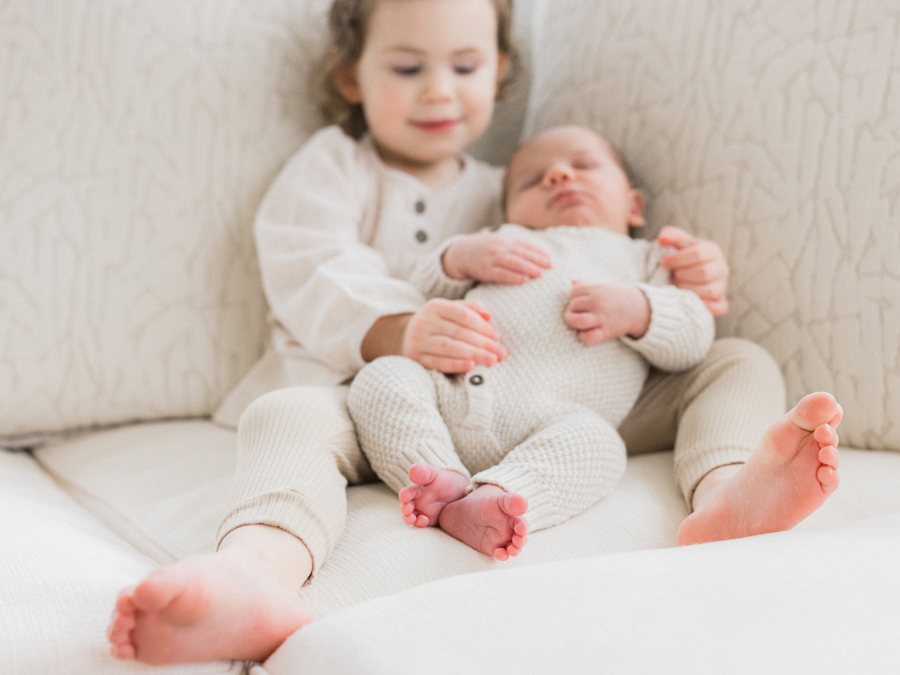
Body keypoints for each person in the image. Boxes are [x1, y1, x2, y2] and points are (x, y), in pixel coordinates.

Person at [106, 0, 840, 666]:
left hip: (560, 397)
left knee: (735, 360)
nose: (438, 90)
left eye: (465, 66)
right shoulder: (338, 167)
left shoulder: (510, 182)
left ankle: (727, 493)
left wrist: (689, 275)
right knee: (287, 417)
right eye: (406, 66)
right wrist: (403, 325)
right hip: (377, 394)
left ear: (499, 71)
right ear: (352, 76)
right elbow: (309, 266)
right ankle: (255, 571)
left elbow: (620, 247)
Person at [349, 125, 723, 560]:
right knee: (383, 377)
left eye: (583, 166)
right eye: (532, 179)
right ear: (508, 210)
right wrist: (459, 257)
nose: (559, 176)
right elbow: (422, 287)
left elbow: (696, 335)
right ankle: (435, 474)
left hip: (555, 421)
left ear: (634, 205)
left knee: (600, 446)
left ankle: (500, 496)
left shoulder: (647, 261)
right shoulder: (500, 240)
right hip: (449, 396)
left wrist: (641, 310)